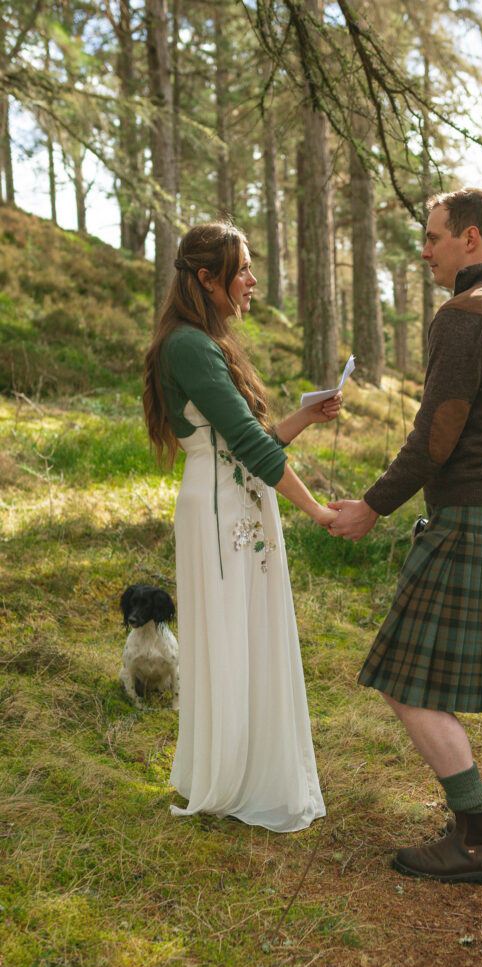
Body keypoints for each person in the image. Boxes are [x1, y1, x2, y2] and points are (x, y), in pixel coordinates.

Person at [329, 187, 482, 883]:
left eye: (432, 237)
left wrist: (373, 505)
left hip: (467, 519)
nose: (424, 250)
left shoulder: (465, 314)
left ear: (470, 239)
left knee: (402, 676)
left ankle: (473, 833)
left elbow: (436, 435)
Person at [143, 220, 339, 832]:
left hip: (238, 501)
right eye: (242, 269)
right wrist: (321, 512)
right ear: (207, 278)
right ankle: (231, 776)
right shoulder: (189, 347)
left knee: (246, 631)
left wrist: (305, 416)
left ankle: (247, 765)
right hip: (223, 509)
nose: (253, 280)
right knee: (229, 633)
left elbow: (248, 440)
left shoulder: (205, 342)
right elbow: (251, 449)